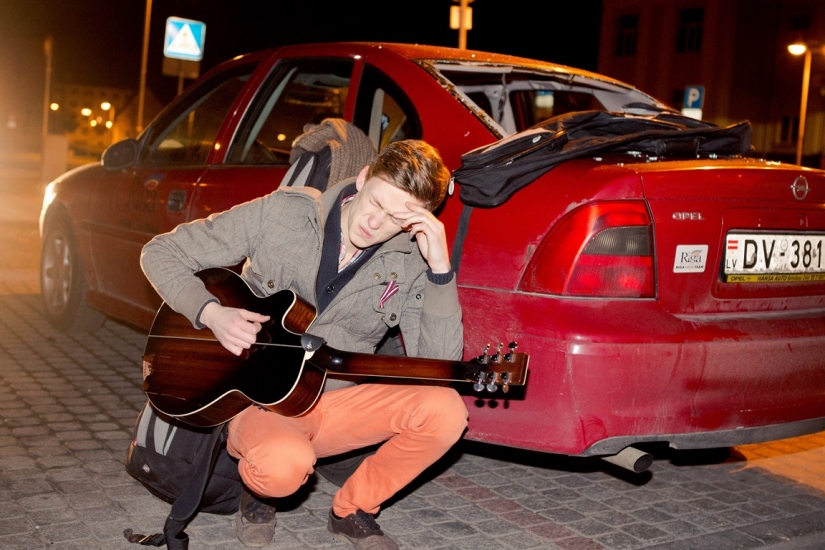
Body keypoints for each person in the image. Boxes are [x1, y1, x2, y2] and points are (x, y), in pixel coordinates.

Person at [140, 139, 468, 549]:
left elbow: (441, 366)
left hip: (334, 403)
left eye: (396, 218)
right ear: (364, 177)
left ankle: (353, 510)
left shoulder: (409, 263)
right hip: (262, 399)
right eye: (376, 202)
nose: (374, 222)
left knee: (446, 412)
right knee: (281, 469)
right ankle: (257, 494)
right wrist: (211, 313)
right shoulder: (285, 214)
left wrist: (440, 270)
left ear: (417, 221)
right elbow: (162, 252)